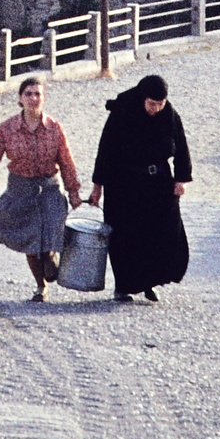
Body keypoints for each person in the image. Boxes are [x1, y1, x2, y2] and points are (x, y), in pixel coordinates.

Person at [87, 74, 192, 302]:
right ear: (143, 98)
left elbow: (182, 147)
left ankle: (149, 282)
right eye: (151, 104)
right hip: (123, 184)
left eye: (159, 104)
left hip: (157, 182)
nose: (155, 109)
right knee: (125, 235)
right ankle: (124, 285)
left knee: (159, 231)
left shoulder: (169, 115)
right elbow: (105, 150)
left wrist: (181, 180)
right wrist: (98, 187)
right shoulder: (123, 111)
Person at [0, 76, 83, 302]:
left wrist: (73, 192)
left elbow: (67, 161)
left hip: (50, 188)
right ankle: (40, 286)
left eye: (38, 94)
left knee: (50, 232)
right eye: (28, 94)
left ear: (43, 98)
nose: (33, 98)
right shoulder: (7, 129)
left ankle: (50, 255)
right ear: (20, 98)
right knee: (30, 239)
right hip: (20, 189)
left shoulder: (55, 128)